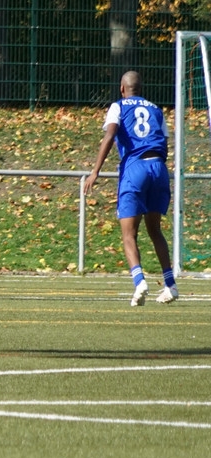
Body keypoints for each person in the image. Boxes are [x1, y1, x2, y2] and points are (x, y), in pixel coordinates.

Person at [84, 71, 177, 306]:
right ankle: (171, 285)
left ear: (122, 88)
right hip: (159, 168)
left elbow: (110, 135)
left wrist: (95, 171)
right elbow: (164, 143)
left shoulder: (118, 106)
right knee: (155, 230)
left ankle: (139, 282)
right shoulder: (156, 110)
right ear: (140, 89)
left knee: (129, 233)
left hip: (135, 168)